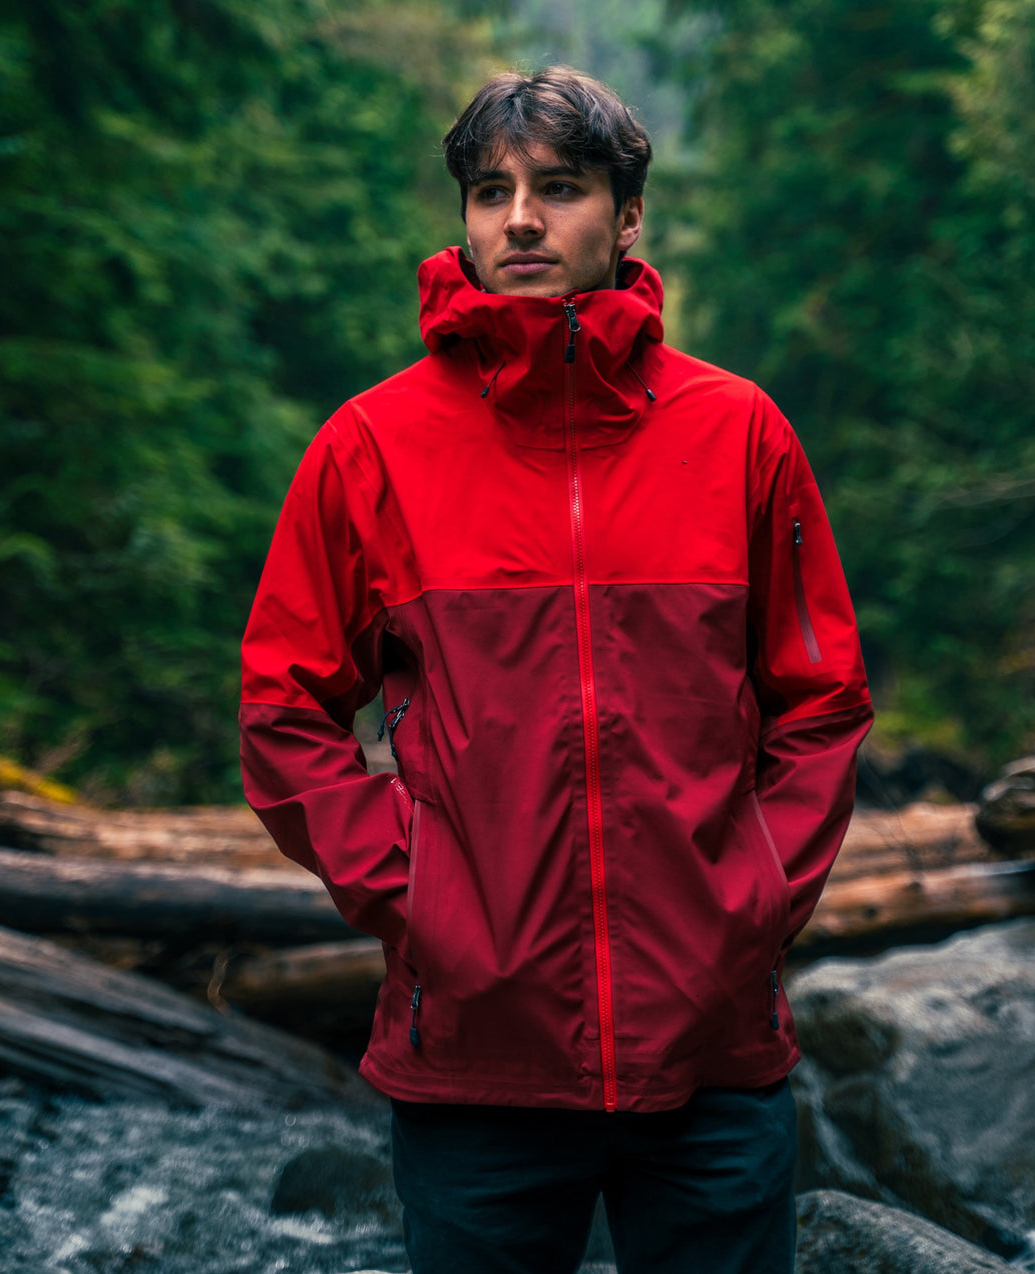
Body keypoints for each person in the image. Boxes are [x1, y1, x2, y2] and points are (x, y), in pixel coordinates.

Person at [240, 66, 872, 1274]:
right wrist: (418, 894)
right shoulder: (371, 445)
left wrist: (749, 899)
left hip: (712, 1050)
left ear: (627, 218)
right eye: (492, 192)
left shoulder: (741, 432)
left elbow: (821, 700)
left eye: (559, 188)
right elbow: (284, 707)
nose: (520, 219)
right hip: (474, 1053)